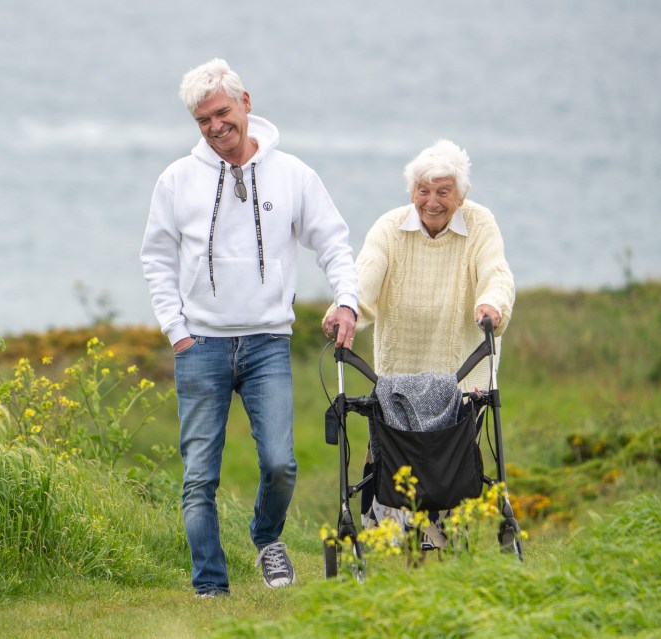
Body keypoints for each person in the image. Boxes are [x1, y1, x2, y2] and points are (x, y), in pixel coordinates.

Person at [141, 58, 358, 597]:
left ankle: (266, 538)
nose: (215, 127)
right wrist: (176, 330)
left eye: (221, 112)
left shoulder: (293, 175)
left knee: (281, 464)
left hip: (267, 343)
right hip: (200, 345)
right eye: (202, 120)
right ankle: (210, 587)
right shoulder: (176, 179)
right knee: (199, 480)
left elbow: (332, 241)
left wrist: (347, 301)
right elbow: (156, 258)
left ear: (245, 103)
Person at [323, 138, 514, 548]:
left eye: (444, 191)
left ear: (461, 195)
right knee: (395, 454)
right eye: (423, 191)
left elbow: (495, 272)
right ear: (411, 192)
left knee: (447, 458)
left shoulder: (480, 224)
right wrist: (347, 309)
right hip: (399, 373)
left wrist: (491, 304)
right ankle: (389, 540)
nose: (432, 201)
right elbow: (365, 275)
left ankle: (441, 542)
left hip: (460, 371)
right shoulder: (390, 229)